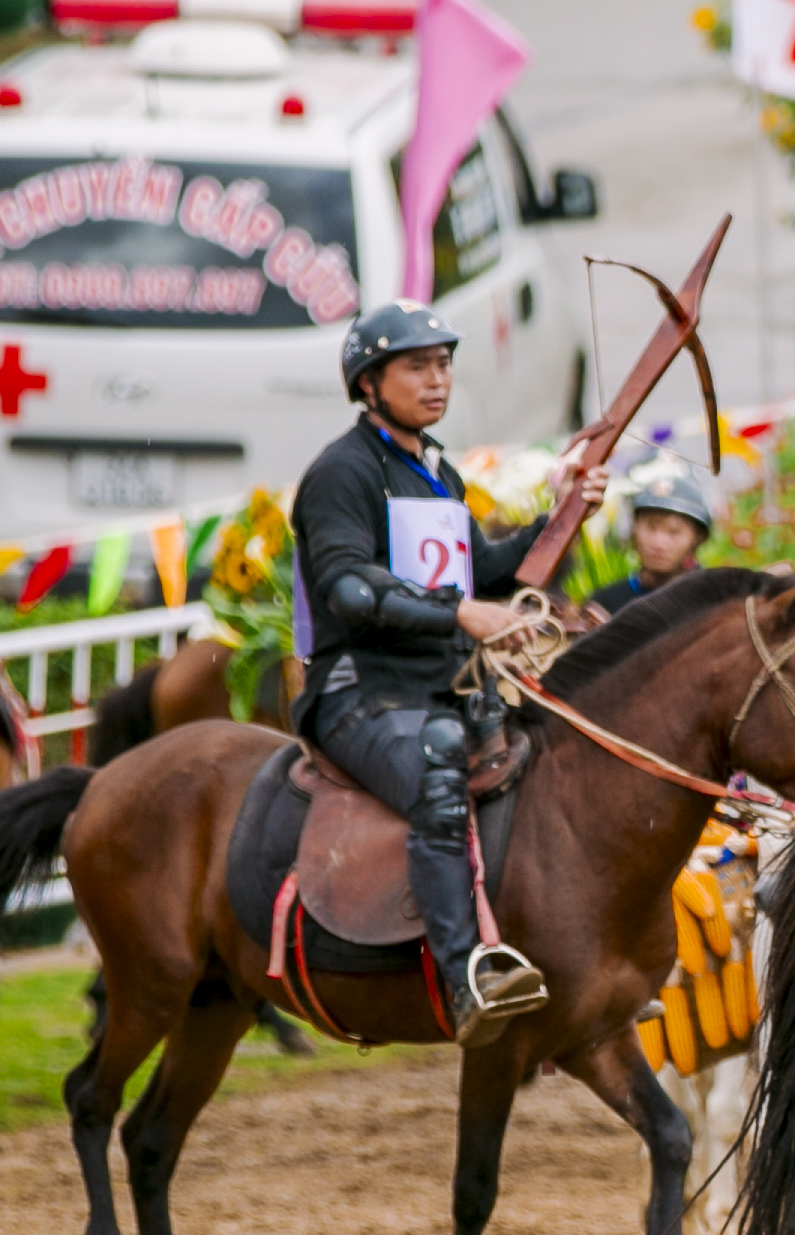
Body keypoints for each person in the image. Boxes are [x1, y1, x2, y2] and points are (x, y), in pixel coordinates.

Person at [289, 299, 602, 1040]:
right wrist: (461, 614)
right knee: (437, 768)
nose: (438, 380)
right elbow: (351, 589)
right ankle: (468, 977)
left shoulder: (437, 473)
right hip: (357, 695)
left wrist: (563, 517)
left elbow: (487, 571)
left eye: (444, 364)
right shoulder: (341, 473)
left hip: (440, 689)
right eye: (417, 366)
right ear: (370, 382)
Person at [583, 448, 711, 618]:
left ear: (697, 538)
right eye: (651, 527)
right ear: (634, 528)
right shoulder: (605, 605)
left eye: (674, 532)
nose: (658, 543)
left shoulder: (712, 604)